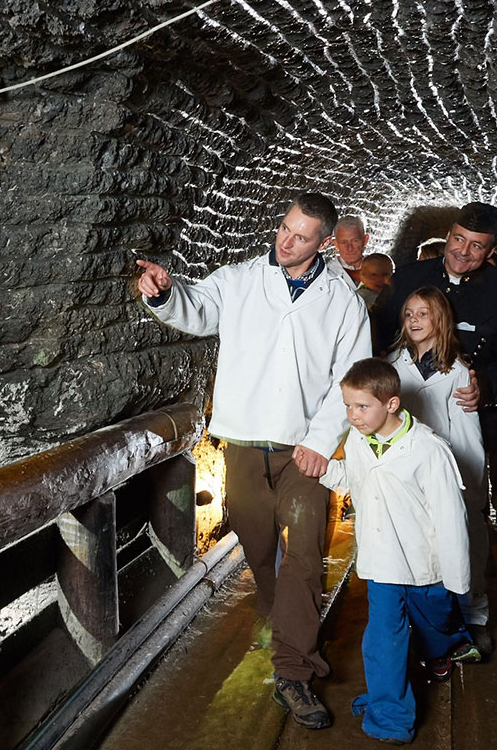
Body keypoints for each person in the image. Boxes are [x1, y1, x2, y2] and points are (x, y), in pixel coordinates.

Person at [136, 192, 371, 730]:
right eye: (284, 229)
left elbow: (351, 377)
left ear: (325, 244)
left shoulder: (342, 299)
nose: (286, 241)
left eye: (302, 237)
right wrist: (165, 293)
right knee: (258, 544)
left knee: (306, 546)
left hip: (302, 452)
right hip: (242, 445)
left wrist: (319, 439)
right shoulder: (240, 278)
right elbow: (195, 310)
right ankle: (281, 609)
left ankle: (294, 670)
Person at [316, 358, 477, 746]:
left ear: (391, 405)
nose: (352, 416)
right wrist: (321, 469)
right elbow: (353, 480)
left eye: (361, 406)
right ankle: (390, 716)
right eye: (348, 406)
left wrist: (458, 582)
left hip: (426, 566)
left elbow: (451, 519)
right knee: (382, 640)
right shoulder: (358, 440)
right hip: (384, 563)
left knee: (433, 625)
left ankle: (448, 644)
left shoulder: (427, 450)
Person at [373, 202, 497, 541]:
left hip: (468, 413)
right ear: (448, 236)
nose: (463, 251)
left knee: (463, 509)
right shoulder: (407, 278)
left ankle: (464, 585)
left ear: (491, 249)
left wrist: (486, 387)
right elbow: (376, 333)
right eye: (459, 239)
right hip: (409, 410)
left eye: (476, 245)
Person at [386, 287, 490, 646]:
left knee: (463, 538)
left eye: (423, 314)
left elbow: (465, 430)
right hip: (406, 470)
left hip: (447, 466)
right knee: (418, 543)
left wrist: (474, 481)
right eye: (409, 313)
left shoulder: (457, 370)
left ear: (440, 319)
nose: (414, 320)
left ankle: (474, 614)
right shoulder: (393, 365)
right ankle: (425, 620)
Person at [329, 215, 370, 284]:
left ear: (365, 240)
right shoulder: (326, 274)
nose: (350, 248)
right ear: (336, 244)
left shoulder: (382, 271)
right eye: (344, 243)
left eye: (355, 241)